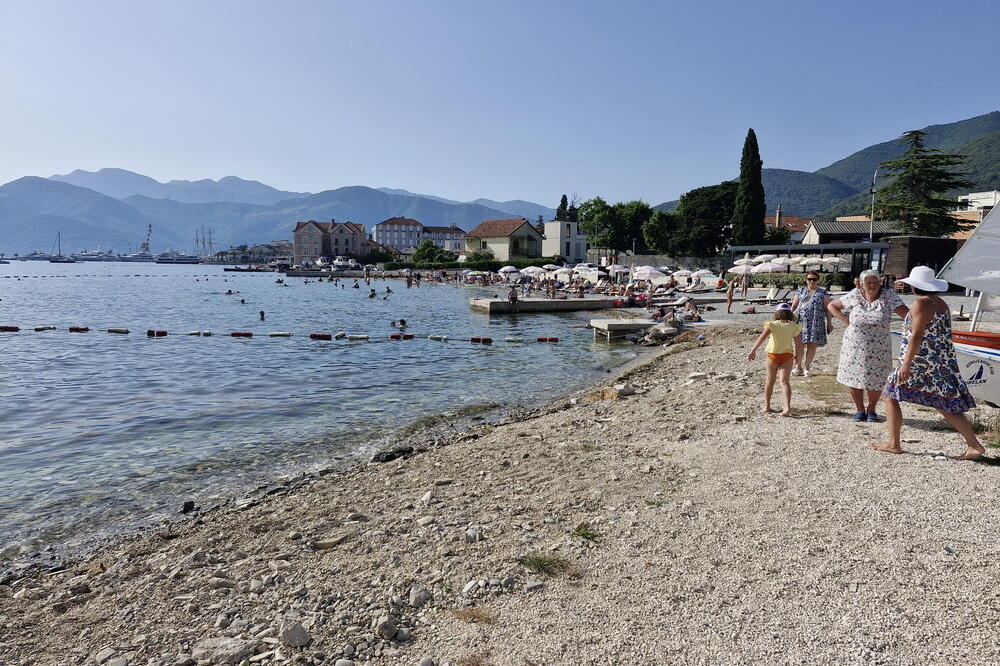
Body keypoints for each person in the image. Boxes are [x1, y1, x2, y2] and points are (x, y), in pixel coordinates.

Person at [873, 266, 985, 460]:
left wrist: (906, 364)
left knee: (890, 395)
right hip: (939, 361)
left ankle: (893, 444)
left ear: (915, 286)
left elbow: (916, 334)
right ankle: (973, 444)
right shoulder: (940, 303)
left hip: (920, 361)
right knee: (943, 403)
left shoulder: (920, 303)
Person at [828, 269, 909, 422]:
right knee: (854, 376)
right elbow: (832, 306)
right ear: (862, 284)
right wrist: (846, 321)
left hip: (880, 346)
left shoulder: (889, 296)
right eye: (868, 283)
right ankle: (859, 409)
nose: (872, 285)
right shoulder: (855, 294)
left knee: (877, 377)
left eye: (875, 282)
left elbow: (907, 315)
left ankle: (871, 409)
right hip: (854, 344)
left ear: (880, 282)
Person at [747, 303, 803, 416]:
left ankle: (767, 406)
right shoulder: (794, 326)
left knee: (770, 382)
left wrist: (753, 350)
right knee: (785, 382)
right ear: (790, 314)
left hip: (773, 356)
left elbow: (762, 337)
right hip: (787, 356)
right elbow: (799, 345)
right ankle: (787, 408)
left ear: (777, 313)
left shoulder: (772, 325)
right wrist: (798, 357)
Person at [790, 272, 833, 377]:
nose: (811, 281)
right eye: (809, 279)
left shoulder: (823, 293)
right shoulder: (800, 291)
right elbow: (793, 307)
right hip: (800, 322)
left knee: (811, 345)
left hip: (816, 322)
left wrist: (829, 323)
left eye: (814, 279)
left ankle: (807, 367)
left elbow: (828, 310)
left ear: (818, 280)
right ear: (806, 280)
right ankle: (798, 367)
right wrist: (787, 320)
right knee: (799, 345)